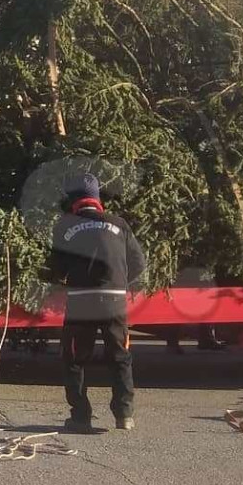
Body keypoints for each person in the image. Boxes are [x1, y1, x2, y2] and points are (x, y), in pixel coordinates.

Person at [49, 173, 146, 434]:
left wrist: (64, 278)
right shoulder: (119, 224)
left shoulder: (65, 226)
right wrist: (119, 283)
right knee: (120, 357)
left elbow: (56, 269)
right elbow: (139, 263)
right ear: (96, 200)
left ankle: (81, 417)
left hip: (81, 302)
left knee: (74, 359)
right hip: (114, 301)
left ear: (74, 201)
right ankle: (124, 415)